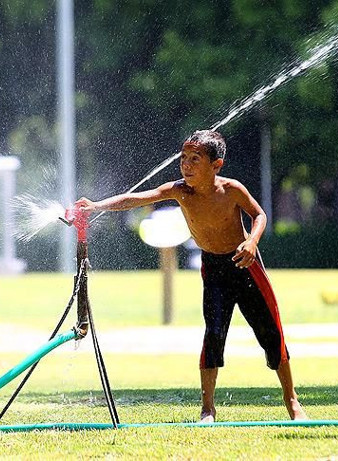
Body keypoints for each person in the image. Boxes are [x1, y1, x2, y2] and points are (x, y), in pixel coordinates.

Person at [75, 130, 307, 422]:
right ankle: (208, 409)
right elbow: (137, 198)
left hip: (245, 265)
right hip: (214, 269)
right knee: (213, 335)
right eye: (183, 158)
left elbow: (259, 215)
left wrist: (252, 242)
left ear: (216, 165)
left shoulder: (231, 189)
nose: (186, 165)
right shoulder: (179, 190)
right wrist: (95, 205)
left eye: (195, 159)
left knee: (271, 333)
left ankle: (292, 401)